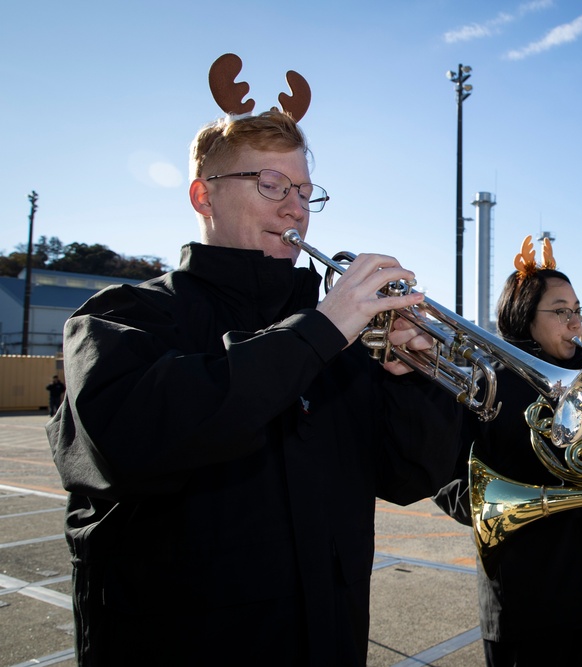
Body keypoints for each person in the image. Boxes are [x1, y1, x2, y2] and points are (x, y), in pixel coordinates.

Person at [45, 59, 463, 667]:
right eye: (271, 185)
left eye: (303, 191)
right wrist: (319, 330)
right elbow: (131, 442)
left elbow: (410, 479)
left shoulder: (338, 339)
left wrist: (413, 381)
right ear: (203, 195)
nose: (296, 209)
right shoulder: (121, 316)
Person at [433, 235, 582, 667]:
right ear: (525, 317)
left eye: (578, 311)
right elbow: (446, 481)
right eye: (562, 312)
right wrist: (508, 502)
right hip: (529, 596)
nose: (575, 323)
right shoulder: (485, 381)